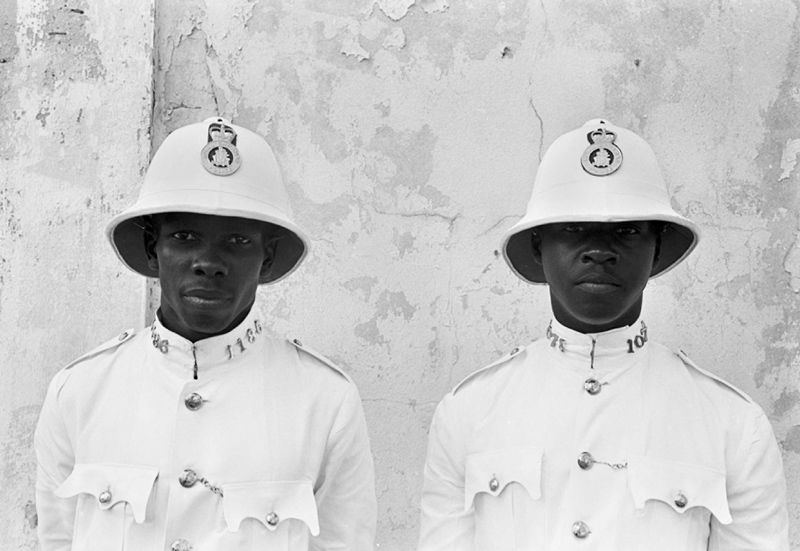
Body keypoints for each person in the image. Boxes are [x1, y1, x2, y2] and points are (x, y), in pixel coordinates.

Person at [418, 119, 789, 550]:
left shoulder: (732, 426)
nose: (599, 251)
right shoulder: (470, 412)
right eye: (573, 229)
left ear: (657, 249)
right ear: (538, 246)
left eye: (628, 231)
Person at [35, 117, 376, 550]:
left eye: (237, 240)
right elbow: (56, 540)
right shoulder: (81, 392)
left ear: (267, 258)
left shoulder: (324, 401)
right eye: (184, 235)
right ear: (151, 249)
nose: (208, 261)